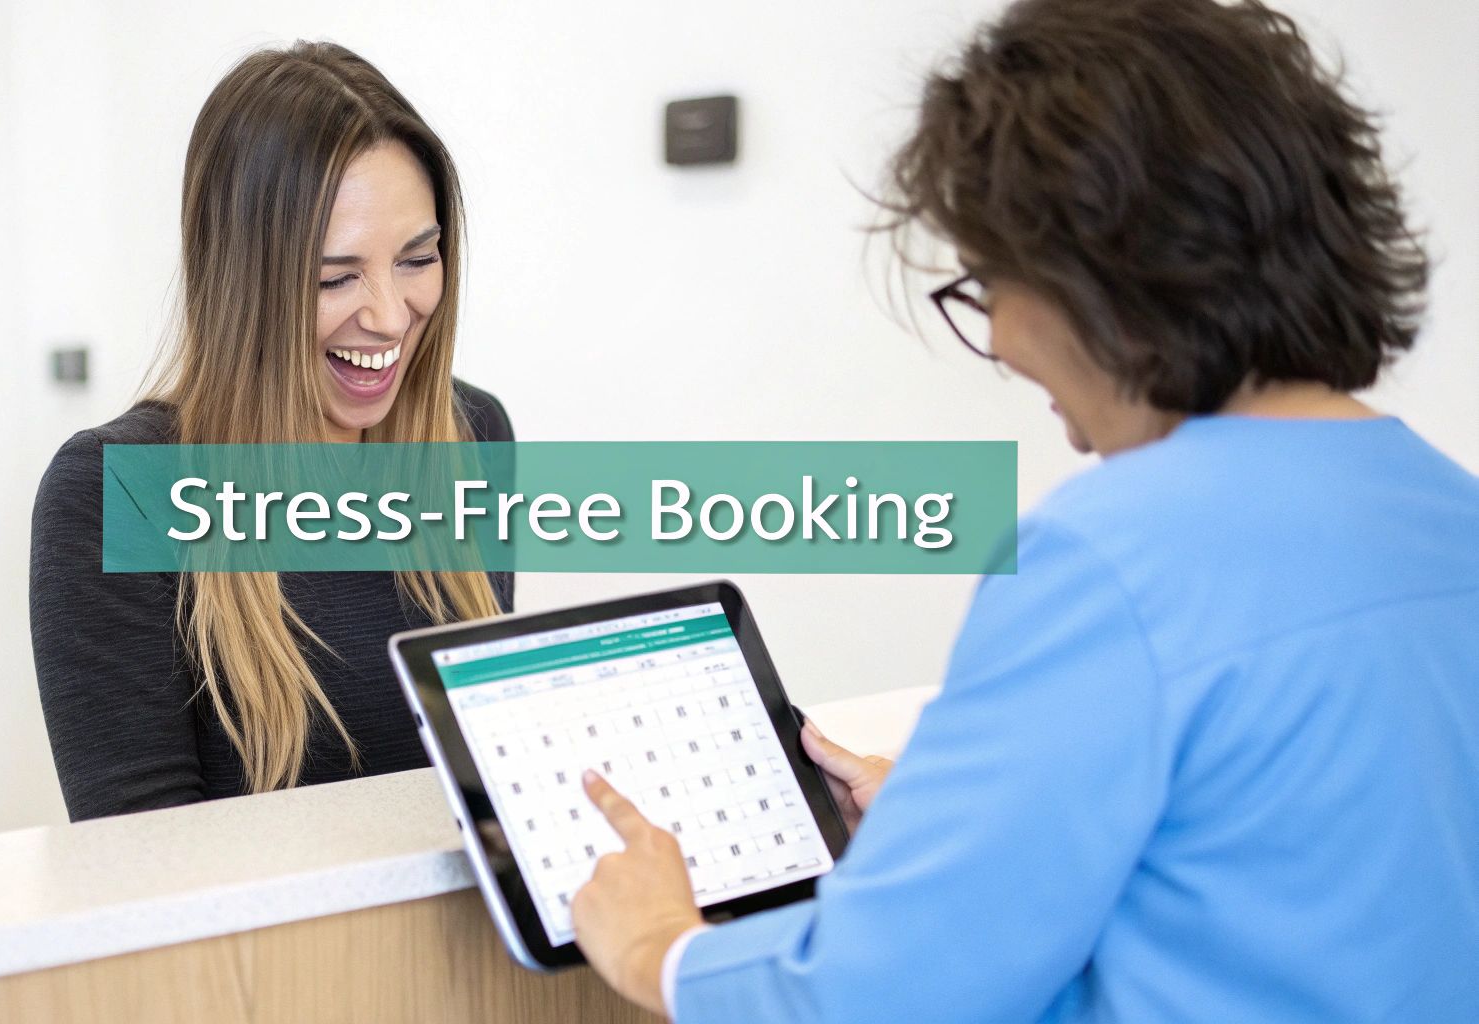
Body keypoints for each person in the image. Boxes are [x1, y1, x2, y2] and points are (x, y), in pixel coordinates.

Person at [570, 1, 1479, 1020]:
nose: (997, 338)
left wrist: (660, 948)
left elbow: (883, 993)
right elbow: (1263, 881)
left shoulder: (1111, 557)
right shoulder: (1450, 514)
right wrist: (954, 838)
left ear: (1096, 262)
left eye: (988, 278)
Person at [29, 42, 513, 821]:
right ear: (242, 283)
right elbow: (141, 874)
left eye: (418, 259)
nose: (390, 316)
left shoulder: (475, 436)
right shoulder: (115, 493)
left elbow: (489, 791)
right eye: (336, 277)